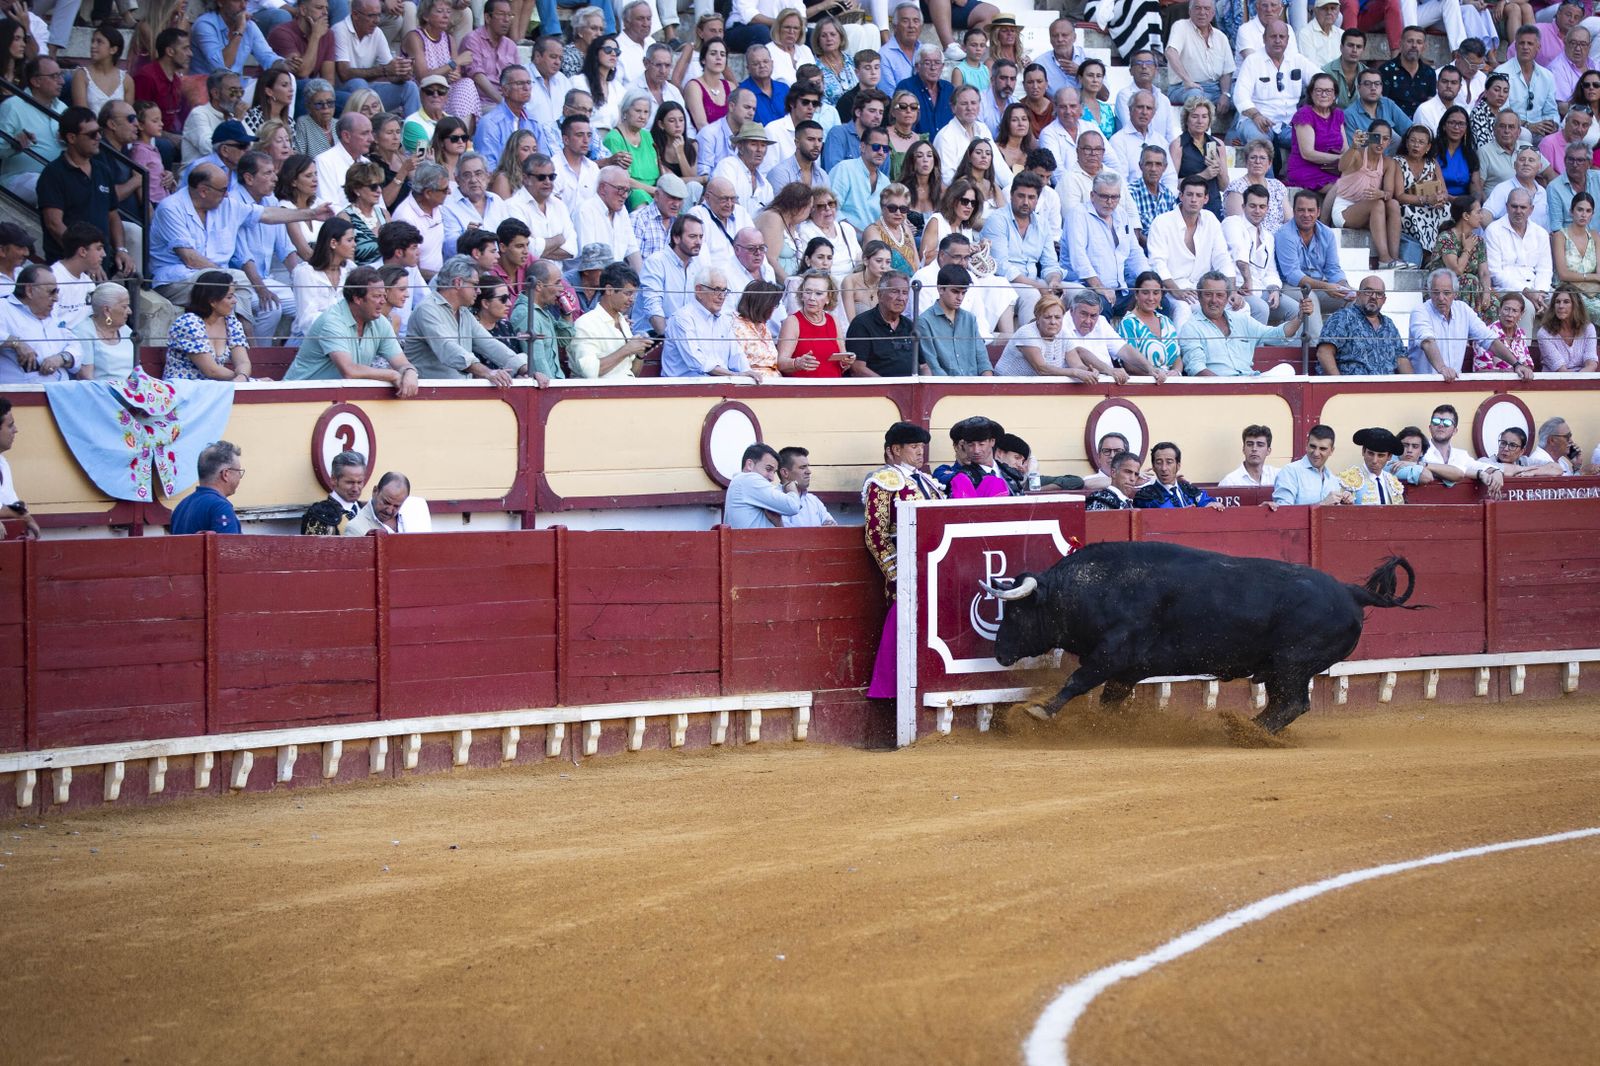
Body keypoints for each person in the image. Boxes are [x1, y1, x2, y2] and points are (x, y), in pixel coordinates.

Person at [862, 419, 944, 699]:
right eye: (913, 446)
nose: (920, 452)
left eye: (922, 446)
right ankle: (894, 692)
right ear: (894, 450)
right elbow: (876, 535)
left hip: (934, 571)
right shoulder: (885, 482)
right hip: (908, 573)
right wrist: (897, 574)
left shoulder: (928, 483)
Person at [285, 266, 420, 393]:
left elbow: (402, 363)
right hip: (296, 397)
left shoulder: (381, 322)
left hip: (336, 399)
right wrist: (392, 375)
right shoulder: (332, 321)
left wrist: (410, 372)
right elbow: (349, 371)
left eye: (384, 296)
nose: (383, 301)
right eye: (376, 296)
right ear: (357, 299)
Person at [403, 256, 528, 383]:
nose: (479, 291)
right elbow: (448, 349)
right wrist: (487, 372)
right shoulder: (427, 309)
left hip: (456, 392)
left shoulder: (463, 312)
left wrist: (525, 369)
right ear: (458, 283)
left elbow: (490, 344)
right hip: (428, 394)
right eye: (475, 285)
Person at [1179, 271, 1311, 376]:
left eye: (1219, 295)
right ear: (1199, 296)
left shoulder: (1241, 320)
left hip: (1250, 382)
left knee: (1286, 369)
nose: (1214, 300)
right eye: (1208, 294)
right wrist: (1229, 388)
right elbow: (1196, 368)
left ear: (1227, 297)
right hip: (1217, 389)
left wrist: (1300, 317)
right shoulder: (1191, 327)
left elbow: (1277, 335)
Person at [1408, 266, 1525, 380]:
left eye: (1446, 293)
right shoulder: (1420, 311)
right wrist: (1442, 368)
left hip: (1454, 384)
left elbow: (1489, 340)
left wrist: (1516, 364)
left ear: (1455, 293)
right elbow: (1427, 341)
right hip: (1424, 386)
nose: (1441, 297)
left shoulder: (1463, 309)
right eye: (1435, 292)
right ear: (1429, 292)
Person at [1146, 177, 1233, 323]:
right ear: (1181, 196)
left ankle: (1231, 346)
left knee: (1240, 307)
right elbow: (1157, 263)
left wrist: (1231, 291)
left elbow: (1222, 258)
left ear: (1206, 199)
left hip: (1206, 288)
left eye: (1198, 195)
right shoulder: (1162, 222)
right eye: (1189, 194)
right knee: (1183, 308)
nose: (1194, 199)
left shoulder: (1210, 219)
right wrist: (1176, 291)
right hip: (1172, 288)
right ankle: (1183, 347)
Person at [981, 171, 1061, 325]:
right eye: (1021, 196)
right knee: (1031, 294)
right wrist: (1038, 286)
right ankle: (1028, 345)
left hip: (1034, 281)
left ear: (1037, 200)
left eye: (1031, 197)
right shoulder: (997, 220)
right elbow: (1002, 266)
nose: (1026, 202)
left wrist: (1054, 281)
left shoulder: (1042, 223)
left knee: (1074, 291)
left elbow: (1050, 263)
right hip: (1004, 284)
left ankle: (1066, 346)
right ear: (1011, 195)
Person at [1276, 188, 1354, 343]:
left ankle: (1345, 346)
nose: (1306, 215)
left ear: (1318, 212)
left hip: (1318, 286)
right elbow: (1292, 274)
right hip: (1289, 286)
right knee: (1309, 297)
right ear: (1294, 211)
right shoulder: (1284, 234)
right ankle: (1316, 349)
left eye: (1311, 210)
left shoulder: (1327, 233)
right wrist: (1325, 286)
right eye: (1301, 210)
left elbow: (1333, 269)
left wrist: (1342, 285)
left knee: (1353, 298)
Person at [1230, 21, 1313, 160]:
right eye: (1273, 36)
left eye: (1282, 36)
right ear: (1264, 38)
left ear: (1288, 39)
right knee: (1260, 145)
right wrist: (1256, 115)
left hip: (1289, 124)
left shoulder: (1297, 60)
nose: (1278, 41)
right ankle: (1266, 182)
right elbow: (1240, 96)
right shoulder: (1252, 61)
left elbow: (1321, 80)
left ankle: (1304, 180)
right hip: (1256, 121)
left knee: (1314, 141)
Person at [334, 0, 421, 118]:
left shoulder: (377, 32)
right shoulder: (339, 30)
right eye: (371, 16)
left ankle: (414, 132)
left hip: (367, 90)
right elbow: (344, 73)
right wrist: (384, 70)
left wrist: (402, 74)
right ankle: (372, 129)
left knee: (410, 87)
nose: (377, 21)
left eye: (379, 15)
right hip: (342, 93)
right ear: (355, 15)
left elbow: (390, 72)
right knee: (358, 83)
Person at [993, 291, 1104, 381]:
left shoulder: (1063, 333)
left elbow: (1077, 365)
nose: (1053, 322)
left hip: (1033, 389)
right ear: (1038, 317)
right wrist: (1075, 372)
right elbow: (1042, 369)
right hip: (1004, 386)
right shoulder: (1027, 333)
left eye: (1057, 317)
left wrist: (1088, 370)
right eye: (1047, 317)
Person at [0, 57, 68, 202]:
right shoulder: (13, 106)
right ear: (36, 81)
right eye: (54, 76)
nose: (61, 81)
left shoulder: (64, 109)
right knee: (49, 184)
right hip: (18, 180)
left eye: (61, 75)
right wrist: (13, 143)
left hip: (58, 179)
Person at [1487, 187, 1554, 329]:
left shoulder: (1540, 233)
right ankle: (1523, 350)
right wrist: (1526, 291)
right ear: (1507, 207)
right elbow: (1495, 273)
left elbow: (1545, 269)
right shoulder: (1494, 230)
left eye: (1523, 207)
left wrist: (1540, 293)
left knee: (1563, 302)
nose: (1518, 211)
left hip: (1537, 288)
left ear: (1531, 209)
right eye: (1514, 206)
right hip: (1506, 288)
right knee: (1526, 307)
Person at [1315, 276, 1409, 375]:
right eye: (1368, 291)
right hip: (1352, 387)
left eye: (1379, 294)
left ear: (1384, 300)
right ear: (1358, 294)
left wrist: (1413, 386)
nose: (1373, 297)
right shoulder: (1342, 318)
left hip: (1387, 388)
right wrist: (1339, 385)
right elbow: (1324, 353)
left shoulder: (1389, 325)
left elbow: (1401, 359)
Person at [1222, 182, 1286, 325]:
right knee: (1261, 309)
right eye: (1253, 206)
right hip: (1237, 288)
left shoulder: (1268, 237)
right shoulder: (1232, 223)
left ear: (1267, 209)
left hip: (1259, 289)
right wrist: (1248, 281)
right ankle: (1257, 348)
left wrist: (1274, 289)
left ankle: (1284, 347)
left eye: (1262, 207)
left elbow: (1271, 270)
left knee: (1294, 309)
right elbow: (1239, 252)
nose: (1257, 210)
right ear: (1243, 206)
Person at [0, 265, 76, 383]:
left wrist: (61, 358)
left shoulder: (52, 313)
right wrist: (16, 342)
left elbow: (74, 344)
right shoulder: (4, 308)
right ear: (29, 291)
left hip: (62, 389)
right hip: (23, 394)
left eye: (57, 292)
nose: (56, 298)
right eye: (51, 292)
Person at [915, 264, 987, 377]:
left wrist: (987, 387)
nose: (960, 298)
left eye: (963, 293)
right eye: (955, 291)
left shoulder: (970, 319)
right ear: (940, 289)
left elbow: (983, 361)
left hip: (975, 387)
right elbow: (933, 366)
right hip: (944, 389)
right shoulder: (924, 321)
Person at [1165, 0, 1236, 110]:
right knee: (1196, 98)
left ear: (1213, 13)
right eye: (1197, 8)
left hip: (1215, 89)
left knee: (1241, 99)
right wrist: (1187, 80)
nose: (1202, 12)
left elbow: (1226, 72)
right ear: (1190, 11)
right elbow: (1171, 52)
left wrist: (1225, 94)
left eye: (1207, 9)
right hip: (1183, 88)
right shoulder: (1181, 27)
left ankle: (1234, 128)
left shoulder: (1221, 37)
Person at [846, 270, 918, 376]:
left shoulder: (910, 326)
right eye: (894, 291)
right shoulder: (861, 324)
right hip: (877, 391)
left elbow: (923, 365)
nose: (901, 298)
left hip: (911, 389)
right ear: (880, 294)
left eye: (905, 293)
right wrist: (889, 388)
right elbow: (857, 368)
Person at [1284, 71, 1345, 194]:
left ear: (1334, 95)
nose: (1324, 95)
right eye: (1319, 90)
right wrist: (1340, 159)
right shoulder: (1304, 114)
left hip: (1332, 169)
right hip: (1307, 170)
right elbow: (1308, 153)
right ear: (1311, 93)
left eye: (1328, 91)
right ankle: (1326, 214)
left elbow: (1345, 148)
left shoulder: (1338, 114)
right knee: (1343, 189)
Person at [169, 440, 245, 535]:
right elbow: (229, 548)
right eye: (238, 471)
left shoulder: (181, 507)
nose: (239, 476)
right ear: (226, 474)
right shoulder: (220, 506)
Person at [1267, 425, 1352, 508]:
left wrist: (1345, 504)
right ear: (1306, 445)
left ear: (1331, 451)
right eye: (1313, 446)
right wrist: (1323, 504)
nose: (1316, 453)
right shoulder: (1290, 472)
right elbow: (1283, 512)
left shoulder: (1333, 480)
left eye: (1322, 449)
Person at [722, 443, 803, 528]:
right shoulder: (749, 480)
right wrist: (792, 488)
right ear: (750, 465)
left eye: (774, 472)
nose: (772, 478)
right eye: (768, 469)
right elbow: (792, 506)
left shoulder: (742, 483)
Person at [1499, 25, 1559, 140]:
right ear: (1515, 46)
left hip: (1540, 131)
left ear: (1538, 47)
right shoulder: (1501, 73)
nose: (1525, 47)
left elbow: (1551, 111)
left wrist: (1552, 125)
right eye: (1522, 43)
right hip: (1512, 129)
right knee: (1525, 135)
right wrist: (1528, 126)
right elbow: (1501, 111)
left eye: (1530, 44)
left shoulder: (1547, 76)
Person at [71, 282, 134, 380]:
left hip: (129, 391)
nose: (130, 311)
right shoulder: (83, 332)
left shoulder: (126, 331)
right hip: (101, 392)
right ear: (107, 310)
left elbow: (136, 371)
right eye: (124, 307)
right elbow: (86, 376)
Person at [1133, 442, 1223, 509]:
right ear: (1153, 467)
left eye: (1169, 462)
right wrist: (1181, 515)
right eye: (1159, 463)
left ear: (1178, 465)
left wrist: (1211, 505)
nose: (1164, 468)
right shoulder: (1145, 496)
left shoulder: (1188, 489)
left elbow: (1207, 501)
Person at [300, 449, 369, 535]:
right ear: (334, 480)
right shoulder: (320, 515)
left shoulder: (367, 509)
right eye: (349, 482)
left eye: (359, 482)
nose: (355, 488)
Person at [48, 222, 102, 330]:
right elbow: (48, 325)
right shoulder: (52, 278)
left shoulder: (88, 283)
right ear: (83, 251)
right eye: (99, 249)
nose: (103, 254)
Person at [0, 396, 39, 539]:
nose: (15, 430)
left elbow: (11, 507)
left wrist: (21, 512)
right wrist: (25, 516)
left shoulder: (3, 463)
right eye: (10, 426)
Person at [1535, 285, 1600, 371]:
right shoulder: (1544, 333)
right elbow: (1561, 370)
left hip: (1583, 378)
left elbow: (1591, 364)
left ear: (1576, 305)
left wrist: (1581, 380)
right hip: (1555, 381)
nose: (1561, 306)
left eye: (1566, 302)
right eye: (1557, 302)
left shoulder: (1588, 328)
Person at [1337, 427, 1407, 505]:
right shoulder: (1347, 480)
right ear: (1363, 451)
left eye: (1381, 455)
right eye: (1370, 453)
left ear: (1389, 457)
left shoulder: (1393, 483)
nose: (1374, 460)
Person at [344, 471, 415, 536]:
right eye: (386, 502)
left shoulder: (415, 514)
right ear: (375, 491)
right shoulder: (355, 528)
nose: (389, 510)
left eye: (396, 506)